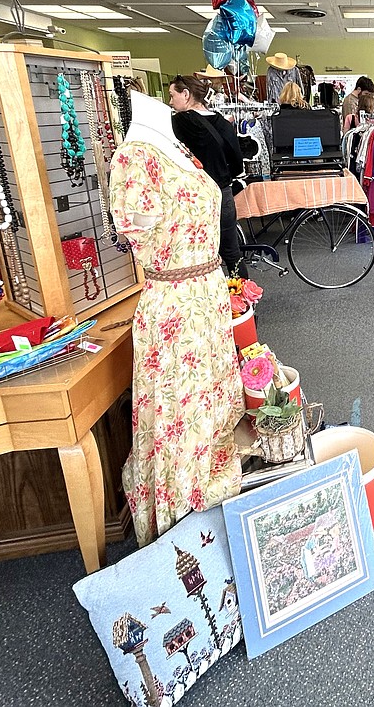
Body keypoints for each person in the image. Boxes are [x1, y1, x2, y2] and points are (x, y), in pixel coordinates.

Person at [108, 90, 243, 545]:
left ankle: (217, 512)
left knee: (211, 406)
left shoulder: (175, 142)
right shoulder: (131, 160)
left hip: (206, 295)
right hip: (175, 303)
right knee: (179, 414)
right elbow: (140, 231)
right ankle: (182, 524)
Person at [167, 75, 248, 278]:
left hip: (195, 198)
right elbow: (238, 163)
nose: (170, 102)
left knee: (198, 255)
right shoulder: (223, 123)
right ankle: (246, 302)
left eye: (172, 95)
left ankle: (209, 304)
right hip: (223, 193)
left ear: (185, 94)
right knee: (232, 252)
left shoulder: (178, 123)